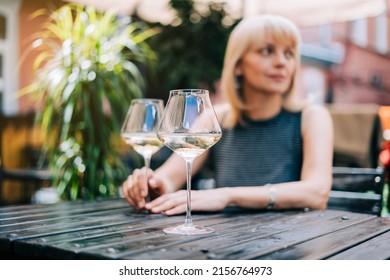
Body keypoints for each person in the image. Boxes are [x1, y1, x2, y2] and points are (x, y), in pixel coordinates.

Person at [122, 14, 333, 215]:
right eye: (267, 51)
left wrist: (227, 196)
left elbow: (316, 193)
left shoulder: (311, 117)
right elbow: (170, 177)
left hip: (291, 241)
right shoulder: (217, 119)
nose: (282, 62)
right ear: (238, 65)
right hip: (227, 242)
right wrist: (150, 184)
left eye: (289, 53)